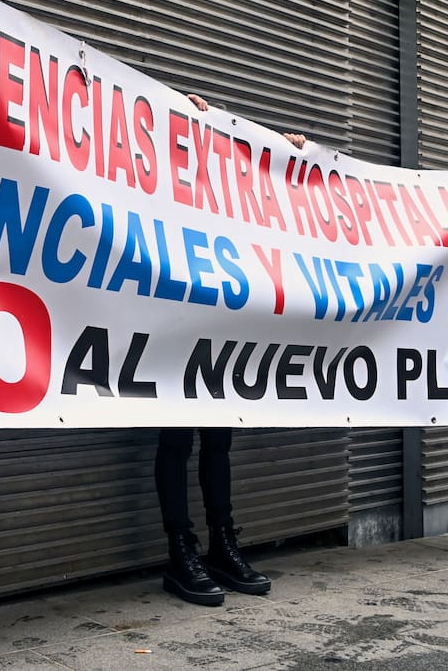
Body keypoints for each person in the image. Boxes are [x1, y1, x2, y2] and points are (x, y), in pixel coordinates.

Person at [153, 96, 305, 607]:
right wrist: (178, 107)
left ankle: (222, 543)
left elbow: (264, 189)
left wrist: (284, 151)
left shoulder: (226, 193)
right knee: (176, 441)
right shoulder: (161, 185)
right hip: (171, 324)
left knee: (218, 440)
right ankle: (180, 552)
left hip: (218, 327)